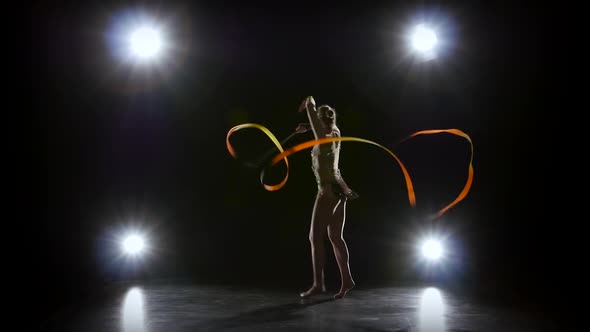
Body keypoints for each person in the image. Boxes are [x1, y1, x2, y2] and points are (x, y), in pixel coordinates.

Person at [295, 96, 359, 299]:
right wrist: (307, 125)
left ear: (319, 121)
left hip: (327, 191)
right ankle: (347, 279)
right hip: (339, 188)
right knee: (335, 237)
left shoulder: (323, 134)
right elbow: (318, 128)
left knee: (315, 237)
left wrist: (309, 103)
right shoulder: (335, 132)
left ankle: (318, 283)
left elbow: (313, 115)